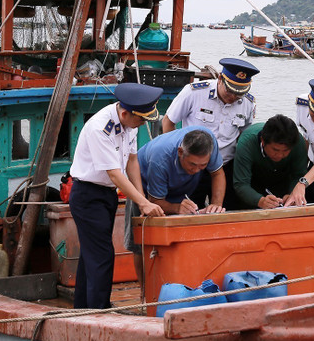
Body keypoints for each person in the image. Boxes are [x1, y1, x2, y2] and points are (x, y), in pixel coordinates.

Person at [68, 83, 165, 309]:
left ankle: (83, 308)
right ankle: (99, 311)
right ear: (124, 114)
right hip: (88, 195)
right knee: (102, 255)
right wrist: (143, 202)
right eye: (141, 119)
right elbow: (114, 173)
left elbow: (132, 161)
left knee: (91, 255)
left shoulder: (131, 123)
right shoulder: (100, 128)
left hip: (106, 195)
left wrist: (142, 198)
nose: (142, 123)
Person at [125, 126, 225, 281]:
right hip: (144, 190)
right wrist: (177, 208)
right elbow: (154, 201)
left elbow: (217, 173)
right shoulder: (160, 158)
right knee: (141, 245)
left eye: (203, 166)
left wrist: (216, 205)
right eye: (192, 164)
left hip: (181, 187)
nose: (197, 170)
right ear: (180, 152)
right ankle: (146, 291)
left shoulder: (209, 141)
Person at [162, 58, 259, 209]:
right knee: (191, 209)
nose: (233, 97)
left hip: (226, 165)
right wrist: (178, 158)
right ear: (220, 79)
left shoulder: (248, 103)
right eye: (230, 91)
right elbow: (168, 121)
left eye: (239, 93)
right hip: (193, 165)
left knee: (226, 209)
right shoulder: (194, 92)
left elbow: (244, 135)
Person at [232, 114, 308, 209]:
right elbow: (241, 184)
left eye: (285, 150)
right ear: (263, 141)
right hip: (253, 183)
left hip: (283, 181)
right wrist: (260, 201)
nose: (280, 155)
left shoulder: (298, 142)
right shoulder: (246, 143)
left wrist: (292, 193)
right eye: (275, 150)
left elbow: (299, 175)